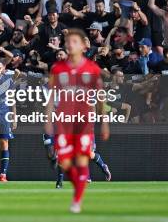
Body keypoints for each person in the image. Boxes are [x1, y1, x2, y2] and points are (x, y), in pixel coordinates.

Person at [45, 28, 109, 214]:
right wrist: (49, 119)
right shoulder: (58, 69)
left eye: (74, 41)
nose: (69, 45)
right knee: (63, 161)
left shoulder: (91, 68)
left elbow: (100, 97)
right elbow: (51, 97)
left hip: (83, 121)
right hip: (63, 121)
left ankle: (77, 200)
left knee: (82, 160)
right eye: (68, 42)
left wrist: (104, 122)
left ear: (83, 46)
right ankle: (76, 186)